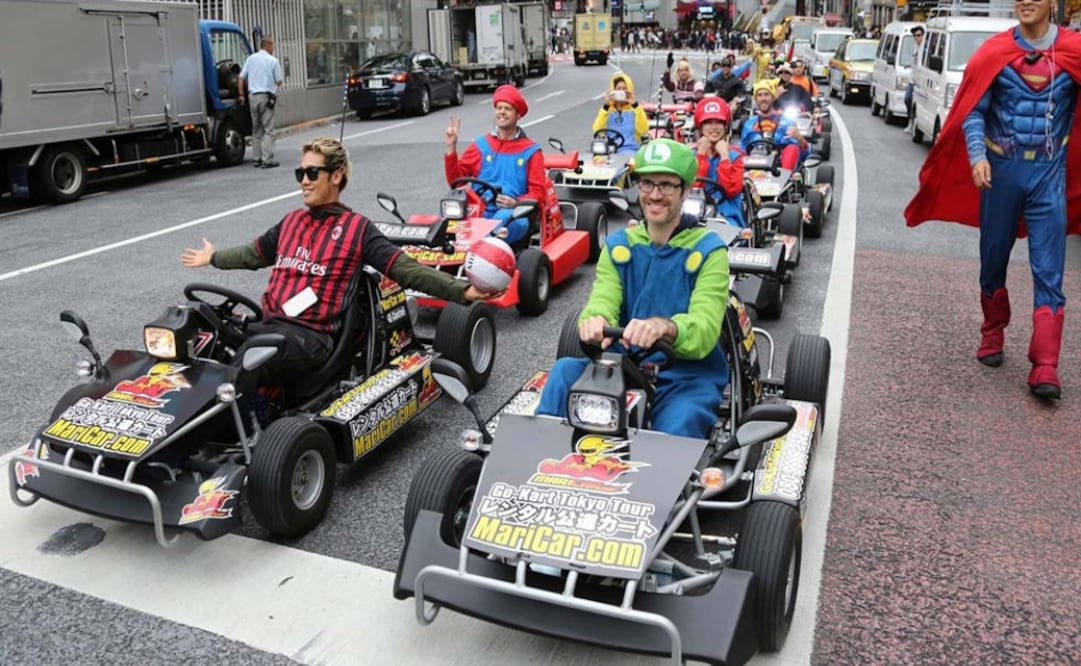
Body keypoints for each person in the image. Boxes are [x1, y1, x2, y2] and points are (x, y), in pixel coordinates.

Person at [180, 138, 494, 395]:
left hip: (312, 338)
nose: (304, 181)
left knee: (251, 359)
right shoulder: (290, 222)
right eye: (300, 174)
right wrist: (214, 257)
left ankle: (234, 432)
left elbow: (405, 270)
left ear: (336, 175)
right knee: (194, 328)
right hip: (271, 326)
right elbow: (253, 254)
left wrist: (462, 290)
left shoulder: (357, 229)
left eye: (312, 173)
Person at [904, 0, 1081, 401]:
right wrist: (978, 156)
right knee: (994, 257)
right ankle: (993, 329)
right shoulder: (993, 53)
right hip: (1001, 172)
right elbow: (973, 111)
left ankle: (1046, 363)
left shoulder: (1073, 51)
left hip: (1049, 174)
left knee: (1050, 269)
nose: (1026, 2)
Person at [535, 139, 730, 438]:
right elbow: (604, 299)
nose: (655, 195)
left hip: (683, 375)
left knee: (679, 423)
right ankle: (541, 457)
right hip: (620, 365)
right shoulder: (619, 246)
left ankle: (669, 480)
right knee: (563, 371)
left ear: (685, 191)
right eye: (647, 184)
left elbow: (704, 328)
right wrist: (596, 320)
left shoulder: (709, 251)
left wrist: (663, 328)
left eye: (666, 185)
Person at [444, 85, 546, 246]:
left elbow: (538, 192)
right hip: (479, 208)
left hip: (512, 212)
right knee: (449, 216)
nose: (502, 112)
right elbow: (456, 181)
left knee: (503, 221)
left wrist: (516, 203)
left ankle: (486, 250)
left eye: (507, 108)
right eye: (499, 108)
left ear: (518, 114)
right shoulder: (481, 144)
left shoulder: (531, 151)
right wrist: (451, 147)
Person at [694, 98, 747, 227]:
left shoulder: (735, 157)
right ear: (701, 127)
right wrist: (701, 156)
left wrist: (724, 157)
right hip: (694, 213)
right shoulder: (690, 155)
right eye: (708, 123)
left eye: (719, 122)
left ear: (725, 127)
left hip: (726, 216)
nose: (714, 128)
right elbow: (693, 188)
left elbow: (731, 189)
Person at [740, 79, 807, 170]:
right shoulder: (749, 124)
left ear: (773, 97)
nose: (763, 98)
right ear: (756, 99)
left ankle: (785, 179)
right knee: (733, 150)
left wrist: (800, 139)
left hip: (778, 169)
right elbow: (742, 149)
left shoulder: (788, 122)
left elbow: (803, 155)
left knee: (792, 148)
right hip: (752, 165)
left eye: (766, 94)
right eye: (759, 95)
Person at [238, 36, 283, 169]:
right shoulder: (272, 61)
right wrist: (272, 88)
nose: (273, 47)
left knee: (256, 129)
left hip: (252, 96)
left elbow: (241, 77)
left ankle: (256, 159)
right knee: (268, 129)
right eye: (272, 44)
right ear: (267, 44)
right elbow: (279, 81)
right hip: (265, 96)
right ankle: (267, 159)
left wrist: (241, 95)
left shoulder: (251, 59)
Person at [592, 73, 649, 155]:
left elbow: (644, 130)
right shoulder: (607, 111)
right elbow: (597, 130)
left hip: (630, 150)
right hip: (609, 150)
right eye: (618, 89)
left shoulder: (635, 110)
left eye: (624, 89)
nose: (621, 91)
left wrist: (635, 105)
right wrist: (606, 106)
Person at [904, 26, 926, 134]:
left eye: (918, 35)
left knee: (919, 104)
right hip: (913, 79)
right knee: (908, 99)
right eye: (915, 36)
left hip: (921, 81)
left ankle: (917, 124)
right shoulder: (914, 48)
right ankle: (910, 121)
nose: (916, 38)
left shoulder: (925, 48)